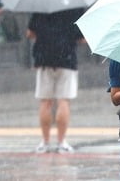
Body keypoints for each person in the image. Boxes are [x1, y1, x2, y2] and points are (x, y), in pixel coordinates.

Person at [27, 9, 85, 153]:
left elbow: (30, 33)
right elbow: (82, 38)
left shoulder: (40, 9)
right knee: (63, 101)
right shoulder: (74, 10)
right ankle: (61, 142)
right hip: (67, 59)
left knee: (45, 101)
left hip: (44, 59)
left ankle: (45, 143)